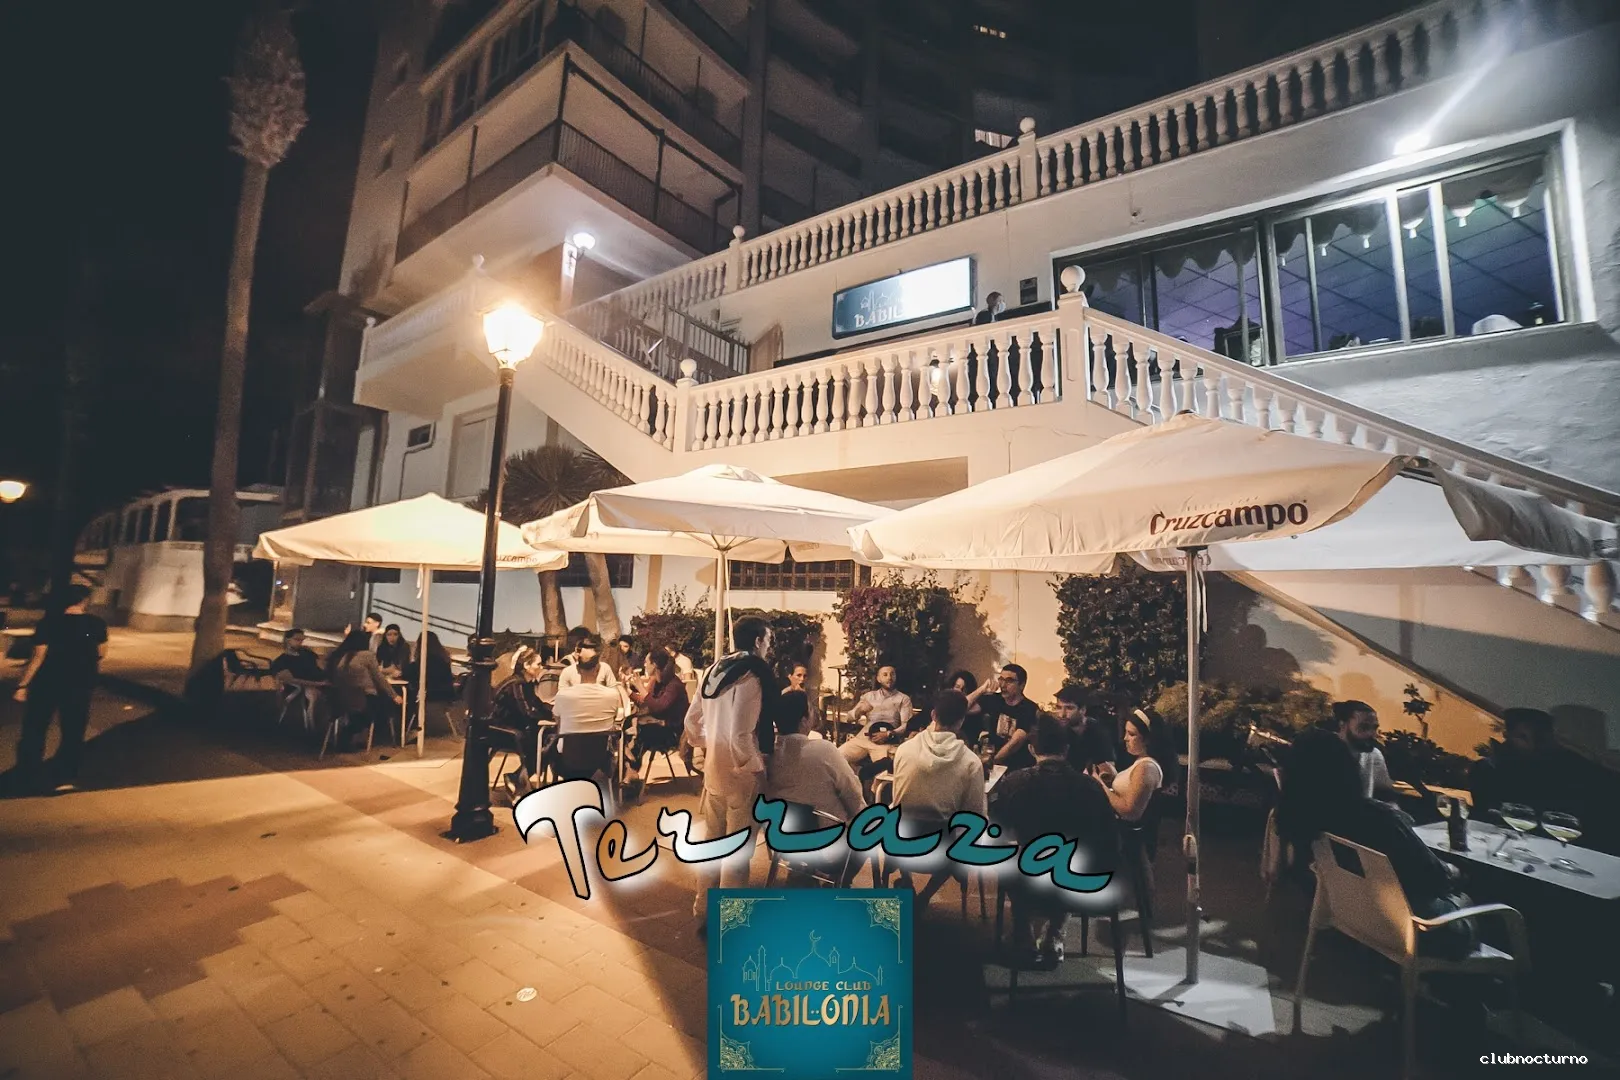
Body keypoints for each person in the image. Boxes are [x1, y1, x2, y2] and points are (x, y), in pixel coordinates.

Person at [992, 715, 1119, 964]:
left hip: (1029, 879)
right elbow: (1109, 840)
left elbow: (998, 834)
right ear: (1066, 749)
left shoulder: (1013, 783)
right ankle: (1055, 932)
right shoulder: (1091, 787)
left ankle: (1023, 930)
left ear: (1031, 749)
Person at [687, 616, 779, 927]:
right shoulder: (752, 676)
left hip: (714, 771)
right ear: (757, 641)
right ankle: (729, 921)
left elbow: (691, 723)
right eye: (768, 641)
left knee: (712, 843)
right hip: (741, 775)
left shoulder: (712, 670)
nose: (768, 647)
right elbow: (741, 736)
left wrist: (710, 743)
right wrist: (758, 769)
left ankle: (702, 909)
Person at [11, 584, 108, 793]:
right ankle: (66, 775)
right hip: (81, 683)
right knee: (73, 730)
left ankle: (28, 772)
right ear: (84, 601)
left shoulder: (48, 623)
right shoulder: (97, 624)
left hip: (48, 682)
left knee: (35, 727)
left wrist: (23, 685)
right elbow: (101, 653)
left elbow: (38, 657)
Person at [768, 690, 865, 823]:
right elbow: (853, 796)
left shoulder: (769, 756)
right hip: (828, 831)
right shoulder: (824, 750)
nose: (814, 713)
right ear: (804, 721)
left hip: (781, 830)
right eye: (811, 709)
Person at [890, 690, 987, 822]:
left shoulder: (904, 750)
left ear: (933, 715)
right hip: (946, 834)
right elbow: (975, 816)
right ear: (961, 721)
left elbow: (897, 798)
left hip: (900, 830)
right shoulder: (971, 762)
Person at [326, 628, 403, 750]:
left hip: (342, 698)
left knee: (360, 712)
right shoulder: (367, 655)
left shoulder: (343, 657)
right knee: (385, 707)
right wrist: (394, 695)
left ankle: (356, 738)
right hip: (364, 697)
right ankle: (387, 738)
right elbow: (378, 677)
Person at [624, 648, 689, 790]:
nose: (644, 665)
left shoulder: (674, 685)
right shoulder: (656, 682)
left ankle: (630, 771)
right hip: (658, 727)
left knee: (639, 730)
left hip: (672, 732)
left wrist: (640, 688)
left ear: (654, 665)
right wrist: (627, 690)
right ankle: (629, 770)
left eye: (646, 662)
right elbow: (646, 702)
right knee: (628, 724)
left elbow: (659, 707)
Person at [1093, 707, 1174, 822]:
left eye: (1131, 734)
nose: (1125, 738)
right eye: (1125, 732)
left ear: (1147, 739)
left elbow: (1130, 812)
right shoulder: (1141, 761)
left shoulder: (1146, 768)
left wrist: (1099, 783)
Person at [492, 646, 554, 794]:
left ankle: (518, 777)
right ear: (526, 665)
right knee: (547, 741)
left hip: (512, 726)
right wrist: (549, 717)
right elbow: (526, 711)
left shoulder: (525, 683)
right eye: (538, 664)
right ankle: (518, 778)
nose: (541, 667)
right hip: (500, 730)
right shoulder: (517, 684)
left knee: (550, 740)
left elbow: (537, 705)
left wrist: (553, 712)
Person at [839, 664, 914, 778]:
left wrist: (888, 734)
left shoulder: (903, 699)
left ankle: (872, 787)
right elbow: (849, 718)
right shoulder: (869, 696)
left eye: (892, 674)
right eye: (885, 675)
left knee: (885, 772)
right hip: (863, 738)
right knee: (837, 757)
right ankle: (855, 778)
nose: (889, 677)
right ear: (878, 679)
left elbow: (906, 725)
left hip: (885, 742)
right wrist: (859, 710)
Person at [967, 664, 1039, 769]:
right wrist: (982, 689)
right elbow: (960, 709)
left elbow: (1015, 743)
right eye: (1001, 679)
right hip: (993, 761)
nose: (1003, 685)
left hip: (1017, 766)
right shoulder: (994, 699)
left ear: (1022, 685)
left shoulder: (1029, 708)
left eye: (1009, 681)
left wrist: (992, 763)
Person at [1333, 700, 1397, 802]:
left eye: (1374, 728)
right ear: (1342, 725)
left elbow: (1385, 794)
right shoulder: (1322, 753)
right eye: (1363, 727)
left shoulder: (1374, 755)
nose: (1372, 734)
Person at [1055, 685, 1115, 772]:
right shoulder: (1057, 732)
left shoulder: (1098, 732)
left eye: (1069, 708)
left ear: (1083, 710)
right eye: (1059, 707)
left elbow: (1108, 768)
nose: (1062, 714)